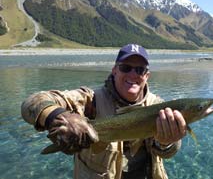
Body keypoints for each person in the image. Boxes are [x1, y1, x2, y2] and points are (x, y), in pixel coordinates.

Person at [21, 44, 187, 179]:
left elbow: (168, 153)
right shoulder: (89, 101)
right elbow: (31, 103)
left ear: (147, 75)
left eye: (140, 70)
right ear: (114, 70)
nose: (133, 74)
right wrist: (59, 116)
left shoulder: (159, 107)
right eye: (126, 67)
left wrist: (168, 142)